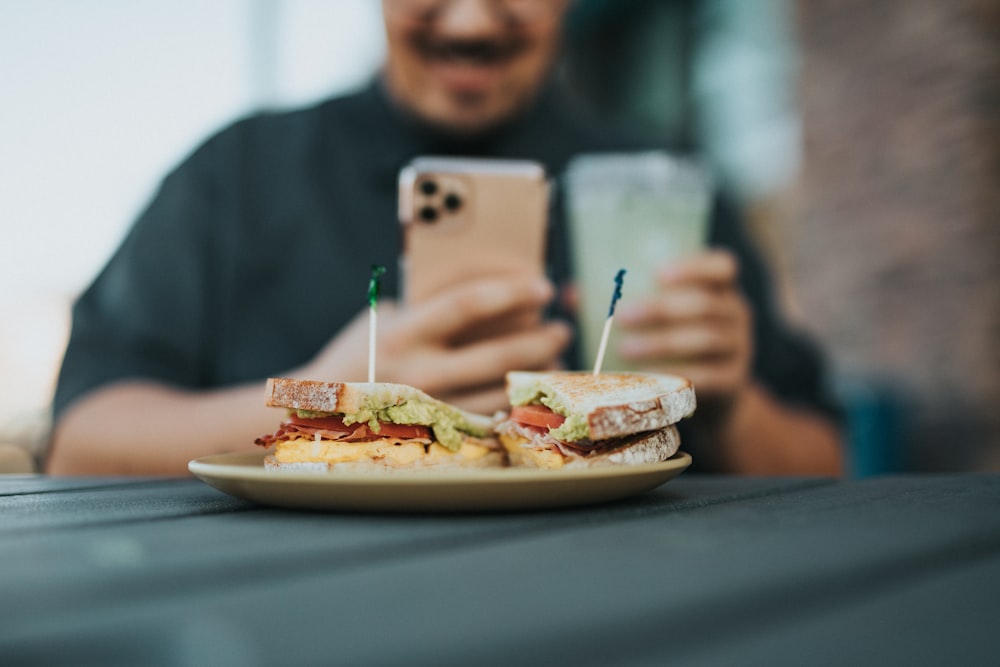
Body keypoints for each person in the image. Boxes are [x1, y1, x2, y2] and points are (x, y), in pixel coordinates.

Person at [46, 0, 843, 476]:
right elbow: (79, 443)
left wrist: (730, 403)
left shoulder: (657, 188)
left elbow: (827, 460)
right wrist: (332, 406)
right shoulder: (239, 174)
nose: (469, 15)